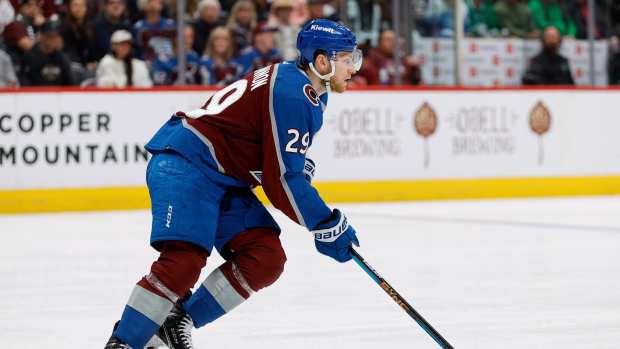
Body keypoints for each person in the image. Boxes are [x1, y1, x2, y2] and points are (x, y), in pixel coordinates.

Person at [104, 18, 363, 349]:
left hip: (222, 176)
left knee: (265, 257)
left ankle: (175, 322)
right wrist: (325, 223)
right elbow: (282, 181)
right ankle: (124, 342)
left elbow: (276, 159)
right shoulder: (294, 93)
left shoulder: (307, 90)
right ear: (322, 61)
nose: (354, 68)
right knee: (184, 261)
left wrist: (296, 173)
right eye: (347, 59)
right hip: (188, 163)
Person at [20, 19, 74, 85]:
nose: (53, 40)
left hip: (58, 94)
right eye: (49, 36)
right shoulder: (29, 57)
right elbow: (24, 82)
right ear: (41, 36)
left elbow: (70, 84)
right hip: (35, 94)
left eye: (56, 36)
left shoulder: (62, 58)